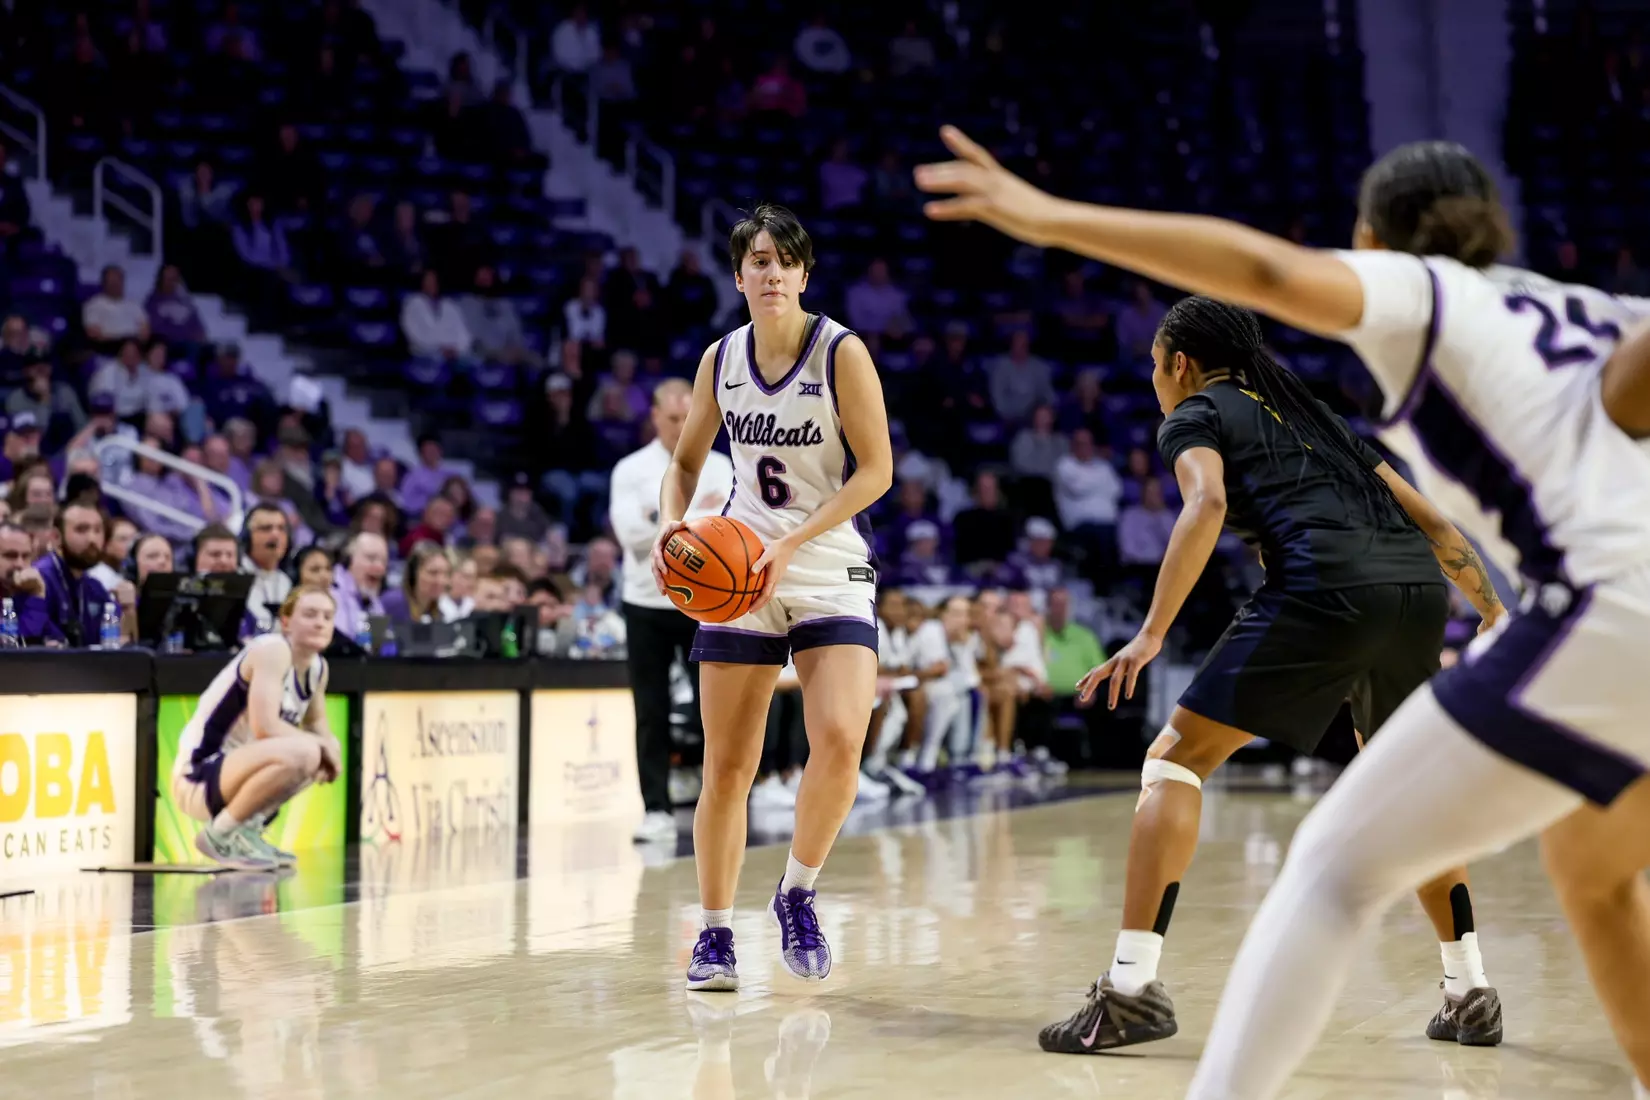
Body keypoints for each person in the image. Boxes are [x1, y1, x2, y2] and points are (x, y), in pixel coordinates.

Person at [916, 130, 1650, 1096]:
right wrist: (1482, 604)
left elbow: (1206, 497)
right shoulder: (1560, 320)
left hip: (1378, 593)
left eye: (1153, 365)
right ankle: (1469, 986)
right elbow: (1433, 519)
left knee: (1192, 772)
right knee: (1556, 856)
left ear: (1180, 363)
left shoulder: (1226, 397)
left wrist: (1151, 634)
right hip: (1417, 594)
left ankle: (1131, 986)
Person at [652, 204, 892, 990]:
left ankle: (796, 892)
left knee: (841, 739)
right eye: (758, 260)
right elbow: (685, 463)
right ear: (738, 276)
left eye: (785, 261)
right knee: (727, 766)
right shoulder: (719, 359)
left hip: (825, 561)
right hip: (742, 567)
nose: (772, 273)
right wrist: (671, 525)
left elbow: (877, 471)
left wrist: (793, 542)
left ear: (804, 275)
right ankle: (715, 935)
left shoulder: (841, 353)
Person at [610, 378, 734, 844]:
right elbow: (630, 536)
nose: (682, 427)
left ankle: (719, 802)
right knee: (651, 710)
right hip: (646, 601)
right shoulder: (630, 469)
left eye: (688, 418)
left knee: (715, 709)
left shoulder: (722, 465)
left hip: (705, 603)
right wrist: (699, 518)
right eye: (672, 419)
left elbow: (733, 529)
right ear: (655, 417)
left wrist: (663, 520)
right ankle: (656, 809)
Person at [172, 585, 341, 870]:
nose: (320, 623)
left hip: (236, 774)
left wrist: (331, 747)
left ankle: (247, 832)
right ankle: (218, 835)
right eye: (310, 614)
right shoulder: (272, 650)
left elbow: (317, 724)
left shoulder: (318, 668)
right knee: (308, 751)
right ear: (286, 622)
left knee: (322, 751)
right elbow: (265, 727)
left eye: (327, 616)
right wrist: (321, 746)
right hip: (199, 775)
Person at [19, 502, 111, 646]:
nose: (92, 539)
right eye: (81, 529)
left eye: (98, 530)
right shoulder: (39, 580)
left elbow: (115, 641)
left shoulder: (95, 587)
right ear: (56, 536)